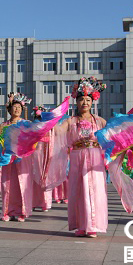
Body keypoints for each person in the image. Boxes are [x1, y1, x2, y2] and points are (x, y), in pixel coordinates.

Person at [56, 77, 107, 237]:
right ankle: (81, 224)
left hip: (95, 157)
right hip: (78, 157)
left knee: (96, 190)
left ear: (93, 102)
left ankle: (93, 225)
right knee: (78, 190)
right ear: (76, 102)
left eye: (87, 100)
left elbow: (112, 136)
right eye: (81, 100)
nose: (85, 103)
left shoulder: (100, 121)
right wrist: (46, 125)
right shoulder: (71, 121)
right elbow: (56, 132)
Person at [0, 92, 33, 222]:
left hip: (22, 158)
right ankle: (6, 211)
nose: (17, 109)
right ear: (9, 109)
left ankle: (22, 212)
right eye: (14, 107)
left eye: (19, 108)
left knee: (22, 183)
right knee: (6, 184)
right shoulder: (3, 125)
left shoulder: (26, 123)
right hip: (7, 158)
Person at [30, 105, 54, 212]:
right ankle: (34, 202)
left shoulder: (49, 127)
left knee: (45, 177)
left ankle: (45, 202)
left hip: (46, 152)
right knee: (35, 177)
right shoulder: (32, 126)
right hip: (35, 153)